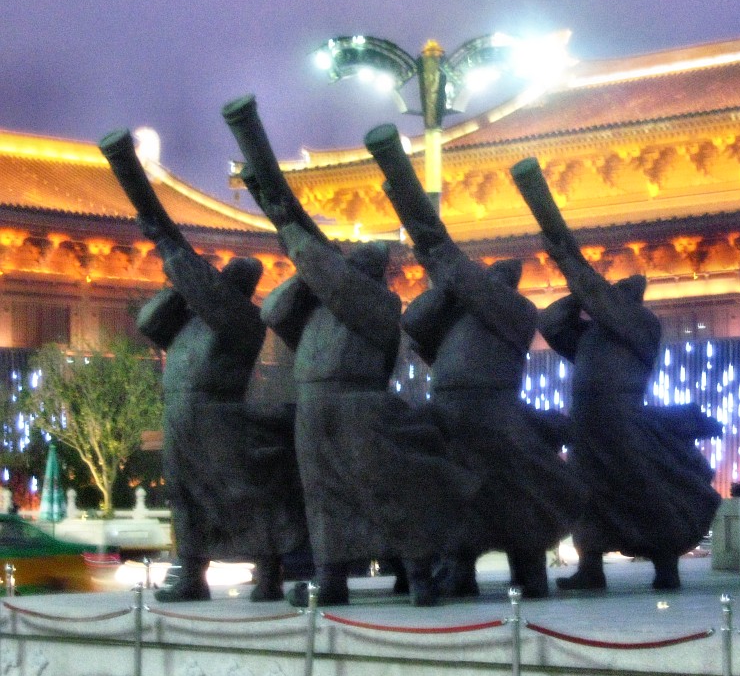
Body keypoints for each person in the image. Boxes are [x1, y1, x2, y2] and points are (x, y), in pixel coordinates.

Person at [225, 97, 474, 607]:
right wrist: (304, 274)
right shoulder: (322, 303)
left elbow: (333, 278)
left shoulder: (378, 304)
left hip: (357, 405)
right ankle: (331, 577)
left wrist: (295, 235)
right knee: (321, 493)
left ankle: (419, 573)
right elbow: (274, 310)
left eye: (362, 260)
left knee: (381, 486)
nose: (352, 263)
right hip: (314, 405)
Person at [366, 124, 585, 599]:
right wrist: (446, 289)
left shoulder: (515, 311)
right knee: (455, 497)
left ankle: (529, 572)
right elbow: (415, 323)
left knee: (515, 495)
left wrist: (450, 269)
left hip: (493, 412)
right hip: (450, 411)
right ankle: (458, 568)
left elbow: (466, 279)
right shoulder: (461, 310)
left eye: (495, 276)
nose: (492, 277)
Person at [100, 129, 307, 603]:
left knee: (239, 492)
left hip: (218, 419)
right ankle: (191, 570)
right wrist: (180, 288)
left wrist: (179, 262)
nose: (221, 279)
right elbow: (150, 322)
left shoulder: (243, 321)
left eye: (229, 277)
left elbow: (212, 298)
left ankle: (268, 570)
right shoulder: (194, 321)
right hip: (182, 415)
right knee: (184, 494)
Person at [511, 157, 722, 591]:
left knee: (640, 486)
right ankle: (591, 566)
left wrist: (579, 276)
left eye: (619, 291)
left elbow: (600, 300)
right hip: (588, 419)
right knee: (586, 490)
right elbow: (551, 323)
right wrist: (578, 294)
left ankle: (665, 565)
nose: (613, 294)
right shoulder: (594, 334)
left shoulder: (640, 325)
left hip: (621, 417)